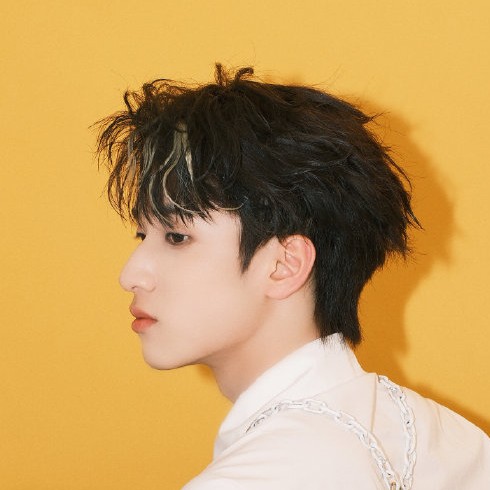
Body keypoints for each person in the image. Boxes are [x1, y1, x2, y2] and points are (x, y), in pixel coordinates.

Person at [96, 64, 490, 489]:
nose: (131, 275)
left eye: (177, 237)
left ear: (285, 264)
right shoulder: (452, 439)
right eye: (142, 235)